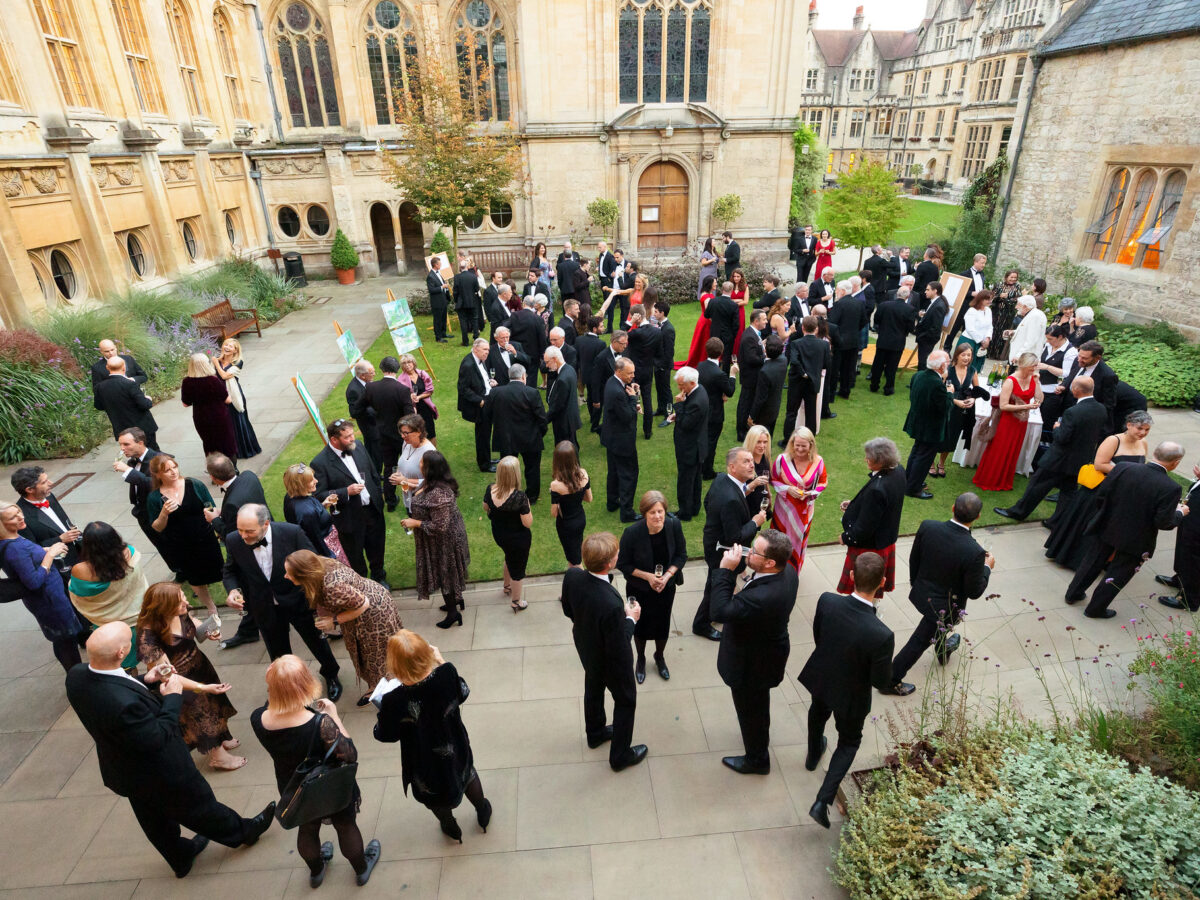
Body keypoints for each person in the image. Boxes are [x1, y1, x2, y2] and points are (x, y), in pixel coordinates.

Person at [66, 623, 274, 879]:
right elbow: (158, 736)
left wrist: (146, 680)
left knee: (153, 819)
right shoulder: (123, 705)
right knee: (199, 805)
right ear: (121, 653)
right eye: (129, 641)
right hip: (160, 769)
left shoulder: (76, 675)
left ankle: (179, 856)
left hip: (123, 769)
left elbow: (116, 685)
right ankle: (244, 832)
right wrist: (173, 696)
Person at [252, 656, 380, 887]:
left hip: (294, 785)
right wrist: (333, 715)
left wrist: (276, 679)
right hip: (330, 787)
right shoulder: (320, 724)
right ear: (304, 685)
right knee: (345, 825)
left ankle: (316, 871)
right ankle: (361, 869)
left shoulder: (258, 718)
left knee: (308, 827)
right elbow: (349, 754)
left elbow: (272, 700)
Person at [799, 552, 896, 827]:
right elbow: (879, 681)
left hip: (823, 675)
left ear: (852, 576)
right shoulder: (882, 634)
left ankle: (812, 754)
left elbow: (819, 637)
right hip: (852, 695)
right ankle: (822, 801)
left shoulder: (827, 601)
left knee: (818, 711)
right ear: (882, 583)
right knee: (849, 741)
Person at [373, 630, 492, 841]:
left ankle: (449, 825)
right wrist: (441, 660)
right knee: (467, 774)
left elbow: (385, 734)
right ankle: (482, 810)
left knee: (434, 796)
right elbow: (462, 691)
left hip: (422, 758)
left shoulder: (393, 699)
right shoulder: (446, 673)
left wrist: (382, 712)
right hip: (454, 744)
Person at [223, 505, 343, 700]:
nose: (243, 536)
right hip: (263, 606)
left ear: (266, 524)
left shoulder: (291, 532)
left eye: (249, 531)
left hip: (298, 601)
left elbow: (312, 564)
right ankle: (289, 687)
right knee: (278, 653)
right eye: (240, 530)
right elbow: (230, 571)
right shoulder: (233, 540)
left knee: (317, 642)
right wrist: (233, 590)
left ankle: (331, 675)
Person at [885, 493, 994, 696]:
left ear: (953, 508)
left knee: (937, 629)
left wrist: (915, 584)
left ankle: (943, 650)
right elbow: (975, 591)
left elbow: (913, 559)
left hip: (922, 593)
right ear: (977, 517)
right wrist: (987, 568)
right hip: (944, 608)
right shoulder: (975, 552)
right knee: (919, 640)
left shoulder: (928, 527)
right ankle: (891, 679)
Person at [1065, 443, 1187, 619]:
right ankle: (1095, 609)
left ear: (1154, 452)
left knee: (1091, 560)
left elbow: (1102, 496)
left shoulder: (1123, 468)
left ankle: (1072, 594)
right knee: (1119, 573)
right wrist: (1179, 513)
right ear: (1176, 463)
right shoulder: (1171, 488)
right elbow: (1164, 522)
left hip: (1108, 525)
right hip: (1137, 538)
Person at [710, 530, 796, 775]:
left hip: (753, 664)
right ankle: (758, 740)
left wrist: (726, 570)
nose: (748, 552)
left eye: (754, 551)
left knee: (750, 710)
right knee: (758, 706)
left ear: (770, 563)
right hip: (767, 650)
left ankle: (757, 760)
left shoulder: (764, 596)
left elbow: (719, 611)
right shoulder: (787, 571)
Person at [560, 533, 647, 771]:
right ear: (609, 563)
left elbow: (568, 610)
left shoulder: (573, 576)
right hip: (611, 661)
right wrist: (631, 619)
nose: (619, 555)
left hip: (586, 648)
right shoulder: (610, 603)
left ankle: (596, 732)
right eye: (616, 553)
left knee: (593, 687)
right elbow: (620, 644)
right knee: (626, 701)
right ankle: (620, 756)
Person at [136, 582, 243, 770]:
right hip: (181, 681)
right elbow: (167, 676)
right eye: (180, 601)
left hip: (201, 667)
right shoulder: (148, 637)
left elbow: (193, 625)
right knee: (202, 716)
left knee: (215, 705)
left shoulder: (181, 610)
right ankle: (218, 757)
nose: (186, 601)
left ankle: (222, 738)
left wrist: (208, 631)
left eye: (183, 596)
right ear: (164, 607)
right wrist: (202, 688)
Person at [285, 549, 402, 706]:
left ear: (305, 574)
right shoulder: (321, 564)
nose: (286, 576)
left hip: (372, 617)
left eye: (289, 573)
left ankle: (385, 693)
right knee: (377, 654)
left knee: (374, 656)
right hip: (374, 600)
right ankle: (383, 684)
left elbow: (363, 604)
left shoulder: (333, 587)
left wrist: (333, 621)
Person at [1044, 409, 1152, 570]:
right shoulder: (1113, 440)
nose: (1143, 433)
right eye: (1140, 428)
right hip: (1100, 491)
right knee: (1088, 523)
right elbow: (1099, 464)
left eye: (1147, 430)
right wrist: (1128, 473)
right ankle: (1074, 558)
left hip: (1122, 492)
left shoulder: (1143, 444)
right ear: (1129, 425)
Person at [995, 376, 1108, 522]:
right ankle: (1058, 522)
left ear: (1077, 390)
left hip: (1059, 459)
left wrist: (1056, 428)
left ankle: (1018, 512)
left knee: (1037, 485)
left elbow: (1062, 437)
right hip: (1080, 459)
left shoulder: (1073, 412)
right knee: (1069, 491)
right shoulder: (1101, 409)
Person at [0, 502, 87, 671]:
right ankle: (76, 676)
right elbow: (34, 582)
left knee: (63, 638)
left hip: (49, 597)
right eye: (13, 517)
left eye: (18, 512)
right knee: (65, 641)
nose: (21, 517)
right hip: (49, 601)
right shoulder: (15, 549)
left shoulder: (12, 539)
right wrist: (50, 555)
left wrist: (43, 550)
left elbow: (27, 558)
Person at [694, 447, 768, 640]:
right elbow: (734, 536)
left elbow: (707, 502)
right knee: (715, 584)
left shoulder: (721, 480)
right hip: (721, 550)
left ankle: (714, 612)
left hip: (713, 540)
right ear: (732, 467)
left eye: (752, 460)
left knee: (715, 583)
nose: (752, 464)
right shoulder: (730, 499)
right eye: (746, 461)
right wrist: (755, 522)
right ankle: (702, 623)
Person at [310, 419, 390, 587]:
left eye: (352, 434)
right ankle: (362, 584)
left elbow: (373, 473)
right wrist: (345, 491)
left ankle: (379, 576)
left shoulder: (358, 446)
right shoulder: (320, 463)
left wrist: (379, 497)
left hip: (372, 510)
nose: (352, 438)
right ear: (334, 440)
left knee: (377, 547)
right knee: (355, 555)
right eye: (347, 437)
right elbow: (318, 495)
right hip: (350, 517)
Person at [618, 491, 687, 683]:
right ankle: (640, 658)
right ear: (644, 514)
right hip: (639, 589)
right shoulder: (632, 533)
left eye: (660, 511)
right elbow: (623, 564)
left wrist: (667, 576)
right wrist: (648, 577)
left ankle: (659, 656)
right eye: (652, 513)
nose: (658, 516)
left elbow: (681, 555)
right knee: (640, 626)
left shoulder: (674, 526)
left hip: (666, 588)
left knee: (662, 624)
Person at [146, 455, 222, 619]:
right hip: (181, 546)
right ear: (158, 475)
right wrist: (164, 513)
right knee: (195, 579)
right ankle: (211, 607)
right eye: (167, 470)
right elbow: (157, 527)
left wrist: (215, 523)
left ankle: (237, 597)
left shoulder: (194, 484)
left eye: (174, 467)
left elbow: (211, 506)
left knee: (220, 571)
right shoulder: (154, 498)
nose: (173, 472)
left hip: (205, 538)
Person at [400, 452, 470, 626]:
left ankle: (453, 614)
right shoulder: (433, 483)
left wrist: (415, 522)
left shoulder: (439, 494)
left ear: (430, 468)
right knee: (448, 574)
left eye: (422, 463)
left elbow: (440, 526)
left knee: (445, 574)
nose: (419, 465)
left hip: (443, 542)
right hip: (439, 539)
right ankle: (456, 600)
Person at [69, 521, 148, 669]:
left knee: (124, 667)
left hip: (113, 628)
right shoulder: (130, 552)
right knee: (154, 658)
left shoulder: (81, 570)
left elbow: (77, 592)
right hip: (143, 618)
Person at [838, 438, 907, 597]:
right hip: (885, 539)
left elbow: (864, 528)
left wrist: (846, 537)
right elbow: (885, 504)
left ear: (881, 460)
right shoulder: (899, 471)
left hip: (870, 546)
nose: (865, 459)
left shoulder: (878, 489)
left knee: (864, 588)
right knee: (873, 587)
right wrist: (856, 505)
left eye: (869, 457)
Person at [349, 356, 414, 513]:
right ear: (396, 369)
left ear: (381, 369)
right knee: (407, 467)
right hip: (401, 436)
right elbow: (410, 417)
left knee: (389, 467)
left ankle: (390, 501)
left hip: (383, 435)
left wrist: (376, 413)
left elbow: (356, 409)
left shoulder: (371, 388)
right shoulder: (402, 390)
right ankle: (410, 503)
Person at [973, 352, 1044, 492]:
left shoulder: (1033, 379)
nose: (1035, 368)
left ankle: (1004, 480)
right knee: (1000, 449)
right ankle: (990, 479)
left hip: (1021, 423)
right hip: (1007, 421)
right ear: (1024, 365)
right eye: (1033, 365)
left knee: (1013, 449)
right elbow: (1003, 406)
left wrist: (1037, 383)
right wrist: (1026, 406)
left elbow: (1039, 398)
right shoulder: (1010, 381)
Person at [483, 363, 548, 504]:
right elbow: (541, 418)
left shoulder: (496, 392)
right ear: (523, 376)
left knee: (508, 469)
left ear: (509, 376)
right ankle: (531, 497)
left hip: (506, 438)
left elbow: (486, 415)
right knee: (532, 469)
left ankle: (508, 493)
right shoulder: (532, 392)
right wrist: (540, 433)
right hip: (529, 438)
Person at [770, 427, 827, 571]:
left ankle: (792, 572)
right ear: (792, 443)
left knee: (798, 541)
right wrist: (787, 489)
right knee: (778, 540)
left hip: (805, 510)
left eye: (804, 446)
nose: (800, 449)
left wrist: (811, 493)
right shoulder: (782, 460)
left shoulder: (818, 461)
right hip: (783, 509)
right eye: (797, 445)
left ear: (811, 445)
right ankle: (773, 568)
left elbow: (823, 482)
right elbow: (773, 479)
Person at [482, 456, 534, 612]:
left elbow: (486, 507)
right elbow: (528, 523)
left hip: (499, 534)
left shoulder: (490, 489)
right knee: (518, 570)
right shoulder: (520, 497)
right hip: (518, 538)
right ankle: (516, 601)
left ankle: (506, 586)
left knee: (509, 558)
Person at [903, 351, 954, 500]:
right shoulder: (937, 384)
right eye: (948, 363)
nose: (949, 365)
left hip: (918, 422)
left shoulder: (918, 375)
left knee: (917, 451)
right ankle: (913, 488)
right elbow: (945, 407)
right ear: (942, 366)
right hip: (931, 427)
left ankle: (909, 480)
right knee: (924, 457)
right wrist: (949, 393)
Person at [13, 464, 84, 570]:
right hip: (60, 565)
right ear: (29, 490)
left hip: (79, 554)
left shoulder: (49, 496)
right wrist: (60, 539)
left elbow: (64, 523)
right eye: (44, 482)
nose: (51, 483)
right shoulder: (20, 516)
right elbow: (32, 549)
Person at [934, 343, 986, 478]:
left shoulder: (972, 370)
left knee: (952, 436)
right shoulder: (948, 370)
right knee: (939, 434)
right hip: (947, 406)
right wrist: (955, 401)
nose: (966, 358)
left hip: (960, 412)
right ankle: (930, 463)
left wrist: (973, 399)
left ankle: (941, 463)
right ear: (957, 355)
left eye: (969, 355)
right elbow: (939, 391)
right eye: (964, 355)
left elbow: (976, 390)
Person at [113, 427, 167, 556]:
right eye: (120, 444)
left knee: (167, 543)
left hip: (158, 512)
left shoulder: (158, 459)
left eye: (126, 444)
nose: (122, 448)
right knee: (159, 545)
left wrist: (128, 471)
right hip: (142, 512)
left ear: (140, 443)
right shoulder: (133, 461)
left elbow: (157, 484)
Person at [283, 462, 349, 563]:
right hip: (327, 547)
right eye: (311, 480)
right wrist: (332, 559)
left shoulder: (290, 497)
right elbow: (316, 540)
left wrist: (323, 505)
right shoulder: (307, 512)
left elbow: (307, 521)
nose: (316, 481)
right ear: (300, 485)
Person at [602, 357, 642, 523]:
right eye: (629, 373)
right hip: (622, 440)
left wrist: (631, 389)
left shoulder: (613, 382)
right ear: (618, 371)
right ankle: (627, 512)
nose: (632, 376)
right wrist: (634, 400)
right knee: (629, 474)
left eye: (633, 372)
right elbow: (626, 417)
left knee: (614, 471)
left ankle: (612, 502)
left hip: (612, 438)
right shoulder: (617, 392)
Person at [1157, 464, 1200, 613]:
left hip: (1197, 530)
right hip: (1190, 522)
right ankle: (1180, 579)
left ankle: (1189, 600)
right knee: (1183, 553)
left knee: (1194, 561)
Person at [667, 366, 708, 520]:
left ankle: (684, 513)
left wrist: (679, 405)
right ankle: (694, 507)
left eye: (681, 385)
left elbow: (686, 424)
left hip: (690, 448)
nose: (679, 388)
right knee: (695, 479)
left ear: (691, 383)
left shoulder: (696, 401)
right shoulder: (699, 390)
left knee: (685, 481)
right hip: (696, 446)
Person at [180, 352, 237, 460]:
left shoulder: (187, 382)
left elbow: (185, 403)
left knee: (209, 443)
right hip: (219, 416)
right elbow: (228, 400)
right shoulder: (213, 380)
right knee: (226, 442)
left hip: (201, 417)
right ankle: (232, 467)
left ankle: (214, 468)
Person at [211, 338, 261, 459]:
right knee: (225, 424)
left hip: (233, 396)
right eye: (225, 345)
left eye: (231, 346)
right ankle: (228, 451)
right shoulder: (217, 360)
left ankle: (243, 450)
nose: (227, 347)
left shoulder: (238, 362)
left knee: (238, 422)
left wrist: (216, 363)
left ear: (235, 350)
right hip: (219, 396)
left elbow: (224, 376)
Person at [93, 355, 158, 447]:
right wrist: (148, 399)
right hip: (142, 427)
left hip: (122, 428)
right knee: (151, 452)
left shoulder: (99, 387)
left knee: (133, 453)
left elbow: (98, 406)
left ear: (107, 368)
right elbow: (145, 405)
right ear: (124, 367)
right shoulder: (129, 384)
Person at [203, 451, 269, 541]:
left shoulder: (231, 505)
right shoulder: (249, 475)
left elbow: (231, 536)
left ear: (213, 477)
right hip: (268, 528)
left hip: (253, 541)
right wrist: (224, 513)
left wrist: (214, 519)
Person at [782, 316, 829, 440]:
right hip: (813, 381)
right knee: (811, 412)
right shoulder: (824, 345)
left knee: (791, 411)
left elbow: (794, 361)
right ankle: (810, 439)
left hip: (797, 381)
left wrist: (803, 373)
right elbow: (826, 364)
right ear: (817, 329)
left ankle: (787, 439)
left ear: (802, 328)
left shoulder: (796, 343)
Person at [697, 337, 737, 478]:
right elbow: (730, 391)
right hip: (714, 413)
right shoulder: (719, 374)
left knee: (702, 439)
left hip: (701, 409)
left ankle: (701, 467)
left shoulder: (700, 366)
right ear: (721, 352)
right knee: (711, 442)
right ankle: (707, 471)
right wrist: (732, 375)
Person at [456, 339, 496, 472]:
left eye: (488, 350)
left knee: (486, 432)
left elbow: (480, 378)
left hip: (486, 397)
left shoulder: (479, 360)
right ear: (475, 349)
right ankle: (484, 465)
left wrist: (489, 382)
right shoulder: (468, 364)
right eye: (485, 350)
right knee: (483, 434)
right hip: (480, 404)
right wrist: (479, 401)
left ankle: (487, 458)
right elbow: (463, 388)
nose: (487, 353)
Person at [550, 441, 591, 567]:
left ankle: (582, 584)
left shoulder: (555, 485)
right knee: (573, 556)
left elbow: (554, 513)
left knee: (576, 561)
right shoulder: (583, 474)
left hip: (566, 524)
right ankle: (572, 582)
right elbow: (589, 498)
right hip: (580, 518)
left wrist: (554, 495)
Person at [870, 287, 917, 395]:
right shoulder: (909, 309)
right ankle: (888, 388)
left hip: (883, 339)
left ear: (897, 294)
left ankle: (874, 385)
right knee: (892, 366)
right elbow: (910, 328)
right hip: (898, 341)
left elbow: (876, 320)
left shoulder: (884, 305)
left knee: (878, 364)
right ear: (907, 296)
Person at [386, 414, 436, 514]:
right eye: (401, 432)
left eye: (406, 433)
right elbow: (405, 462)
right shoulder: (407, 443)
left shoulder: (428, 452)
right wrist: (399, 475)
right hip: (409, 500)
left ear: (418, 432)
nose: (402, 436)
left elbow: (432, 483)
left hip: (422, 503)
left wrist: (405, 481)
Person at [828, 283, 867, 399]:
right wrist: (854, 331)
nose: (836, 293)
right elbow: (864, 321)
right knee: (849, 368)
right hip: (854, 340)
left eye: (837, 291)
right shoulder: (859, 303)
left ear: (843, 291)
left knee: (835, 368)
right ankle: (845, 391)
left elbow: (832, 322)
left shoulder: (839, 304)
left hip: (839, 341)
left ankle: (831, 394)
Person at [345, 359, 383, 481]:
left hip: (375, 424)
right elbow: (355, 412)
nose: (374, 374)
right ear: (362, 375)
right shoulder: (353, 390)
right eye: (371, 372)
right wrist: (377, 411)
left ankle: (377, 474)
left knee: (378, 452)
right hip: (370, 427)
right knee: (375, 453)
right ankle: (375, 477)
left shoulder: (366, 383)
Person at [733, 309, 767, 441]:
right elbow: (751, 359)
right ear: (756, 321)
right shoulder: (749, 337)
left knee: (748, 402)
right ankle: (741, 433)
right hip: (750, 377)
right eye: (764, 319)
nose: (766, 321)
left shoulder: (754, 334)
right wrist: (765, 356)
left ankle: (747, 427)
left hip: (753, 376)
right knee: (745, 404)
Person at [943, 253, 988, 351]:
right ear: (975, 262)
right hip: (963, 306)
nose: (983, 265)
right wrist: (972, 293)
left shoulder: (982, 274)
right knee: (954, 328)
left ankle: (963, 351)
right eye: (982, 263)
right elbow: (958, 291)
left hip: (975, 307)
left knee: (968, 330)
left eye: (984, 263)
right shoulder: (964, 274)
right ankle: (947, 349)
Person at [749, 334, 787, 438]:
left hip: (763, 414)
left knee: (760, 441)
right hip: (775, 407)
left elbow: (760, 398)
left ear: (765, 350)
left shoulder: (765, 372)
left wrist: (751, 415)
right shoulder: (783, 360)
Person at [544, 347, 582, 448]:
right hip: (570, 419)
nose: (547, 366)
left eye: (547, 362)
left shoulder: (562, 379)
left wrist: (543, 420)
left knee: (565, 453)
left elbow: (558, 405)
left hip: (564, 422)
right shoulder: (569, 369)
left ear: (555, 359)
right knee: (572, 448)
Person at [591, 329, 626, 433]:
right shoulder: (601, 357)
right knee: (608, 415)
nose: (625, 346)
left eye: (626, 343)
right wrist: (596, 399)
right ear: (614, 342)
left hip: (621, 391)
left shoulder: (625, 352)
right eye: (623, 344)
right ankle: (598, 429)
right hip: (606, 393)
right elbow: (596, 380)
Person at [397, 353, 438, 443]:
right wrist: (409, 397)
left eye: (409, 362)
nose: (407, 365)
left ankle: (433, 454)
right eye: (404, 363)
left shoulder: (422, 374)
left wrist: (419, 397)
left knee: (431, 433)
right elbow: (399, 396)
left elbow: (430, 390)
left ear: (413, 363)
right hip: (412, 410)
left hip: (425, 407)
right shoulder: (400, 379)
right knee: (417, 434)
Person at [705, 282, 740, 374]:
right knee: (727, 356)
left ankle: (711, 372)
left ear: (721, 290)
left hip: (714, 331)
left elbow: (706, 315)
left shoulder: (713, 301)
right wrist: (733, 335)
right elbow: (736, 324)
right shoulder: (734, 305)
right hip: (728, 334)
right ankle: (725, 375)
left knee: (712, 353)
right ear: (732, 291)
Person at [682, 275, 717, 368]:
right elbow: (708, 312)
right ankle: (704, 361)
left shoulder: (706, 293)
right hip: (707, 322)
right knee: (705, 341)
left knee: (701, 342)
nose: (716, 284)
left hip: (703, 321)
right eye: (715, 282)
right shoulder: (707, 297)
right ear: (710, 284)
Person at [988, 268, 1023, 359]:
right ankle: (988, 352)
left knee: (1002, 333)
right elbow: (991, 297)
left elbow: (1017, 300)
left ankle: (997, 354)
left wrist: (1006, 299)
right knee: (993, 330)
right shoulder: (999, 284)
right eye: (1011, 277)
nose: (1013, 279)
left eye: (1015, 277)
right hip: (996, 312)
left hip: (1008, 314)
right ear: (1006, 277)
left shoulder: (1017, 287)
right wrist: (999, 296)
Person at [914, 282, 948, 372]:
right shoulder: (935, 302)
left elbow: (935, 327)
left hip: (927, 339)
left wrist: (922, 336)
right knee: (922, 361)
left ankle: (920, 383)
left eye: (928, 290)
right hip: (925, 338)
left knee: (923, 363)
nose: (925, 292)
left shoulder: (939, 306)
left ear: (935, 291)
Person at [651, 298, 676, 421]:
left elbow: (670, 351)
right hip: (657, 363)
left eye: (655, 312)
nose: (654, 314)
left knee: (666, 389)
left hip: (664, 365)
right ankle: (661, 408)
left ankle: (669, 411)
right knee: (659, 388)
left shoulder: (668, 329)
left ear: (662, 313)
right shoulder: (660, 325)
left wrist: (662, 365)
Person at [959, 289, 993, 376]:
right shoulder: (972, 311)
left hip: (982, 342)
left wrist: (988, 338)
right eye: (987, 299)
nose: (990, 301)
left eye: (991, 299)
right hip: (969, 341)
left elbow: (990, 326)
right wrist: (982, 341)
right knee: (966, 365)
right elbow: (970, 329)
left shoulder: (988, 310)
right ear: (980, 299)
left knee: (976, 368)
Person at [1005, 295, 1047, 365]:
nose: (1016, 307)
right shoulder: (1032, 314)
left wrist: (1019, 355)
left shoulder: (1035, 316)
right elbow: (1028, 332)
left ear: (1025, 306)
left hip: (1025, 359)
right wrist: (1013, 332)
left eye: (1018, 304)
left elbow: (1032, 340)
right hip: (1023, 358)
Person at [743, 425, 774, 515]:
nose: (762, 446)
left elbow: (766, 478)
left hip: (759, 503)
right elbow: (737, 492)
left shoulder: (765, 458)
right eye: (758, 442)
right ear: (751, 441)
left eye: (765, 442)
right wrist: (754, 483)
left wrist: (769, 495)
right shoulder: (744, 461)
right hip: (746, 505)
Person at [452, 258, 482, 345]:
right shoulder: (473, 276)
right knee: (474, 320)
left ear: (460, 268)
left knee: (463, 322)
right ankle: (476, 337)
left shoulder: (457, 277)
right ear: (467, 267)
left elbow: (455, 291)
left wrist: (456, 300)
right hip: (472, 301)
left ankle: (465, 341)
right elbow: (477, 289)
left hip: (461, 303)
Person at [426, 255, 451, 343]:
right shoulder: (430, 276)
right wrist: (442, 287)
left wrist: (446, 288)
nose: (441, 265)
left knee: (443, 317)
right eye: (439, 263)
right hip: (437, 302)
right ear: (435, 265)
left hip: (443, 300)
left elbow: (442, 283)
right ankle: (438, 337)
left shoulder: (439, 273)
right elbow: (431, 290)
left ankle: (443, 333)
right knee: (438, 320)